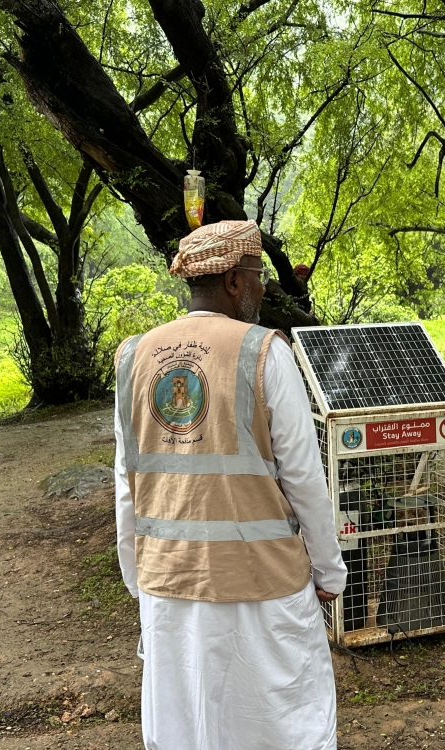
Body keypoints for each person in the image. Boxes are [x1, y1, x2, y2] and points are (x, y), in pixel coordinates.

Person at [113, 219, 347, 750]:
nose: (264, 288)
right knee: (276, 723)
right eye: (258, 275)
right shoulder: (266, 351)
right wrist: (329, 569)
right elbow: (305, 478)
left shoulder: (132, 357)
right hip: (262, 583)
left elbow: (127, 483)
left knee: (188, 725)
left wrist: (138, 576)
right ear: (234, 283)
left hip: (168, 584)